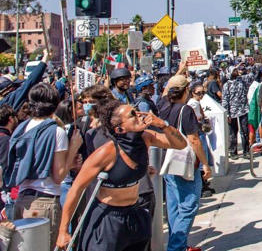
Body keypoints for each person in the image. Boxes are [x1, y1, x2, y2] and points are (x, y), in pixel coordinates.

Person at [55, 98, 187, 251]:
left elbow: (180, 144)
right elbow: (76, 189)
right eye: (133, 115)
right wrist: (63, 231)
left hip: (134, 213)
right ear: (120, 129)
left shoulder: (146, 138)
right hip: (108, 219)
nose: (139, 115)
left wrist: (163, 125)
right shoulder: (107, 152)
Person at [4, 83, 83, 250]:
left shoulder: (21, 128)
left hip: (21, 200)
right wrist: (74, 147)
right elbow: (59, 175)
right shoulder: (56, 132)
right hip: (44, 201)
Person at [157, 76, 212, 251]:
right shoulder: (185, 110)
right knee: (189, 205)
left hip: (168, 162)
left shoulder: (162, 106)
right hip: (185, 163)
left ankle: (178, 244)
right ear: (186, 89)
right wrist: (205, 163)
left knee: (173, 207)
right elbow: (194, 140)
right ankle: (176, 247)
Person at [222, 70, 249, 159]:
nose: (236, 72)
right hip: (232, 112)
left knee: (245, 131)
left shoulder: (242, 81)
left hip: (243, 110)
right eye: (234, 70)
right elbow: (225, 100)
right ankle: (233, 152)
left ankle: (246, 151)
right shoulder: (227, 85)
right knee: (233, 133)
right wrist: (227, 114)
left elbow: (253, 74)